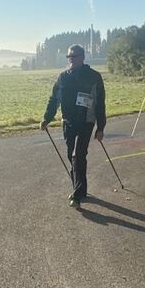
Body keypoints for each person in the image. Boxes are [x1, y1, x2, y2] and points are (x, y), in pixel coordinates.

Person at [41, 45, 106, 209]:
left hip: (86, 121)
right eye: (68, 56)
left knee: (78, 154)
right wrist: (46, 118)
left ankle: (77, 195)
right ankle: (81, 188)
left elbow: (100, 103)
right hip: (68, 121)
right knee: (72, 155)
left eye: (73, 56)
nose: (70, 59)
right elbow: (54, 99)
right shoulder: (63, 77)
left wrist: (100, 127)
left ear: (82, 57)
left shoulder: (94, 76)